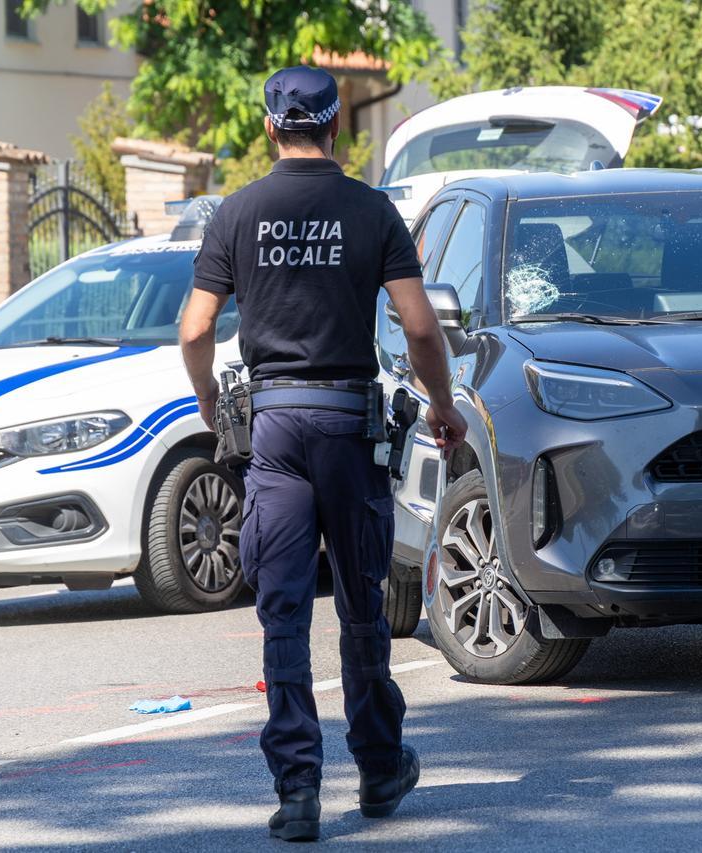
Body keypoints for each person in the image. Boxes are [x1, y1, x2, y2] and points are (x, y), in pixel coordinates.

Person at [178, 65, 467, 842]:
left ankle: (298, 789)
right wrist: (441, 407)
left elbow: (195, 329)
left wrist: (210, 403)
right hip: (348, 426)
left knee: (281, 612)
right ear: (337, 126)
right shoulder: (371, 210)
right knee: (362, 603)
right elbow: (419, 327)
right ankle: (378, 766)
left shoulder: (236, 214)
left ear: (272, 127)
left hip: (271, 430)